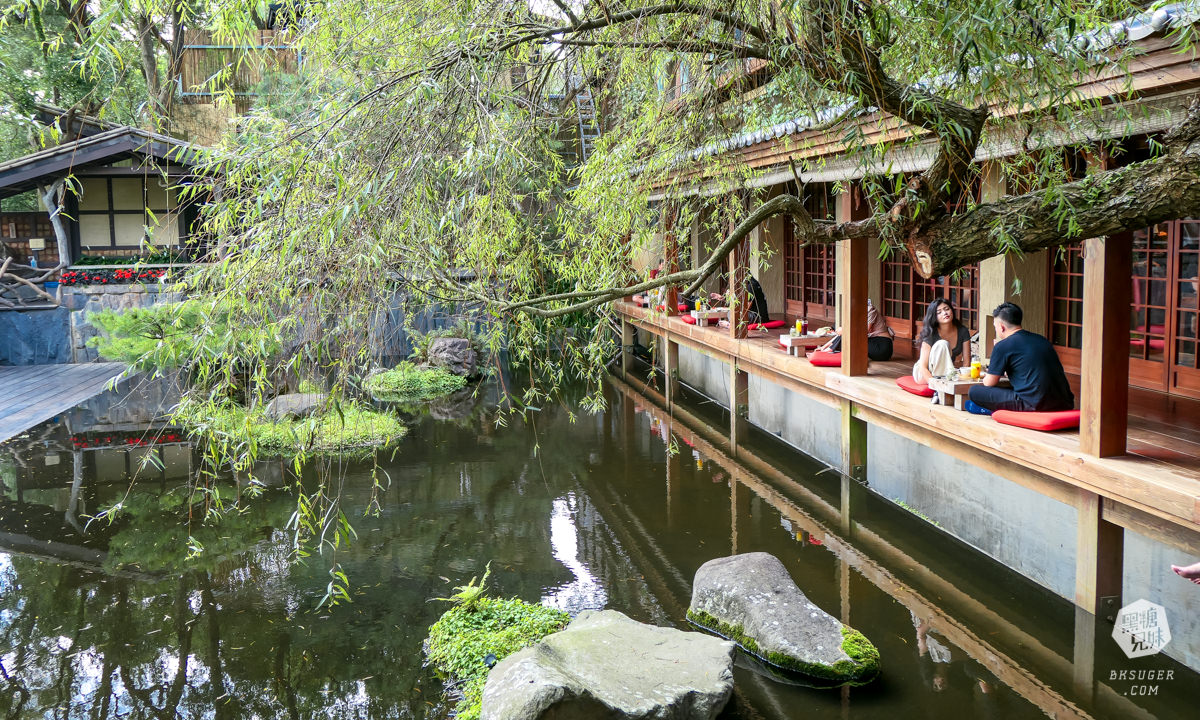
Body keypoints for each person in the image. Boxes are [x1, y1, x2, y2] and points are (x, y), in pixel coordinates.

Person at [967, 302, 1074, 413]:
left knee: (974, 391)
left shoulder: (1002, 346)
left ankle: (992, 411)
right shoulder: (1041, 339)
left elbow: (989, 383)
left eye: (995, 327)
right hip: (1064, 403)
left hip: (1034, 404)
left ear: (1002, 327)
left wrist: (986, 375)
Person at [913, 298, 971, 384]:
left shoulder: (963, 331)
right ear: (934, 317)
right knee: (943, 344)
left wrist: (963, 380)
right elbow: (923, 367)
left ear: (952, 310)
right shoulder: (931, 333)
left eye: (947, 309)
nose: (945, 313)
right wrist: (935, 384)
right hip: (924, 373)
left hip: (944, 373)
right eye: (939, 312)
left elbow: (966, 363)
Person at [817, 298, 895, 360]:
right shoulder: (856, 313)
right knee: (848, 334)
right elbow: (843, 335)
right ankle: (828, 350)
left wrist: (844, 331)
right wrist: (824, 346)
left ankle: (830, 351)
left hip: (882, 346)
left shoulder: (870, 309)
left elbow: (864, 332)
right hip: (872, 344)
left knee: (850, 335)